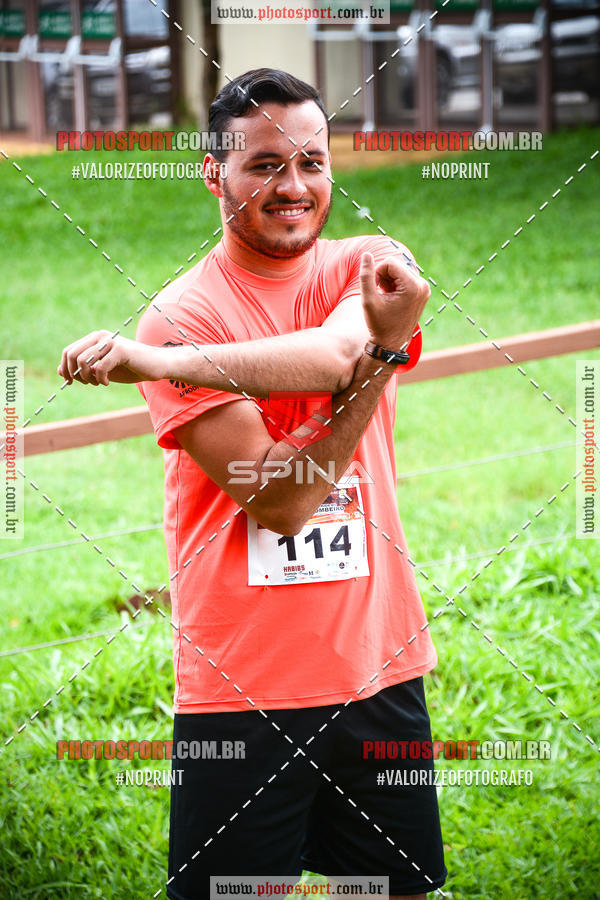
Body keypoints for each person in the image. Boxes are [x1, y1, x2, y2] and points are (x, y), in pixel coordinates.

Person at [58, 69, 447, 899]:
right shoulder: (182, 313)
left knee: (395, 891)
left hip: (379, 666)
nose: (294, 186)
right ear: (214, 173)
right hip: (242, 689)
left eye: (312, 161)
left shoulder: (371, 265)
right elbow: (281, 499)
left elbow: (341, 355)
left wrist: (154, 367)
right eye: (265, 165)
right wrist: (384, 353)